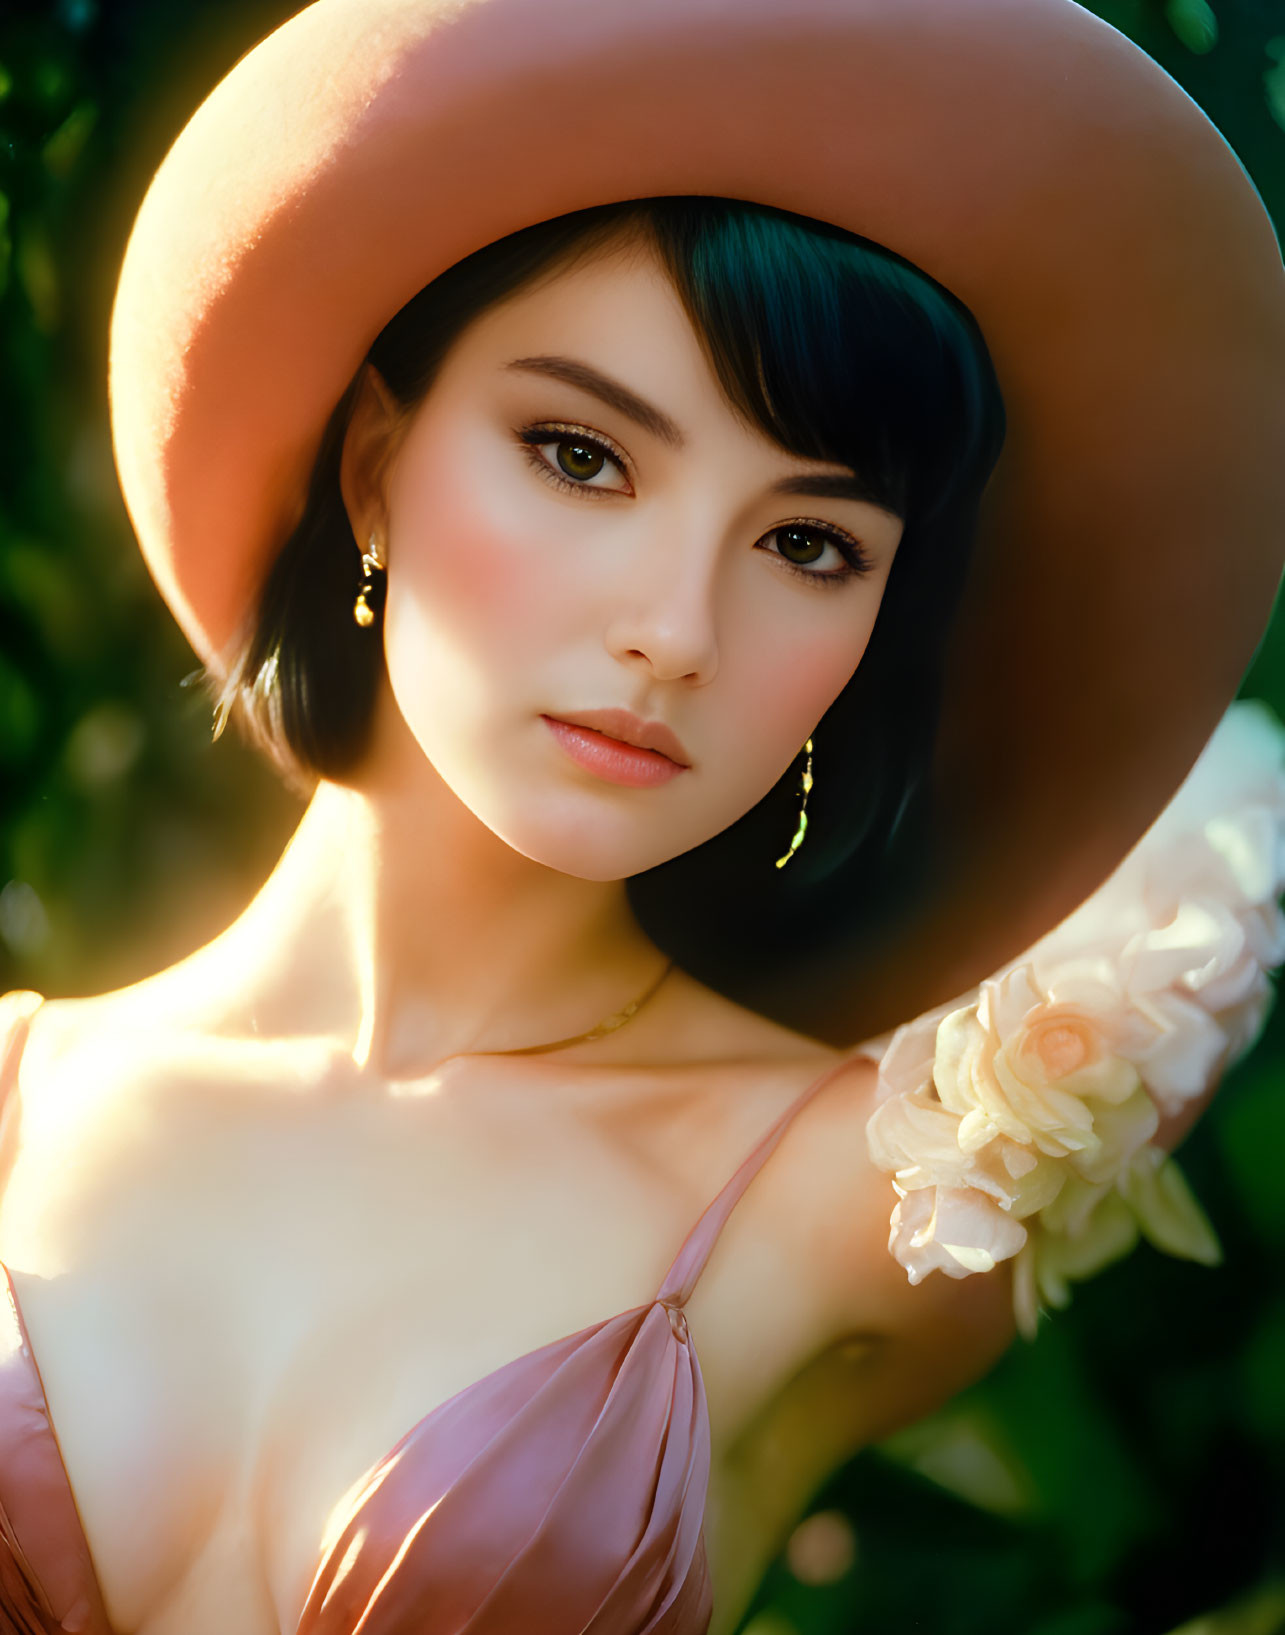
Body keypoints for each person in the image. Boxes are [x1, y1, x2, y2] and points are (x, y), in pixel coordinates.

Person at [2, 1, 1284, 1632]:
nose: (677, 628)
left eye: (808, 545)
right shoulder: (17, 1095)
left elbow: (1232, 808)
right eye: (579, 453)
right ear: (375, 466)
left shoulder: (853, 1199)